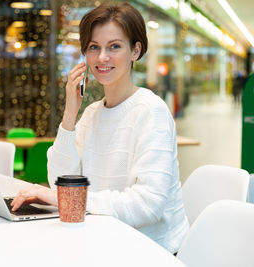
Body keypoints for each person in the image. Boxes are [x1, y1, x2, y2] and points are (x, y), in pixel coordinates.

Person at [11, 3, 189, 254]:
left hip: (151, 250)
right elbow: (58, 182)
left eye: (114, 46)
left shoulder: (151, 111)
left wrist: (75, 201)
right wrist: (70, 114)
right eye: (94, 47)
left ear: (135, 51)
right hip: (102, 240)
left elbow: (148, 204)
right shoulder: (92, 113)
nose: (102, 57)